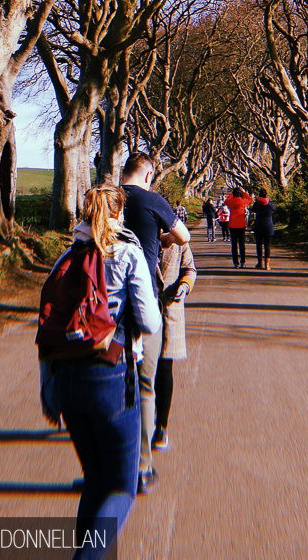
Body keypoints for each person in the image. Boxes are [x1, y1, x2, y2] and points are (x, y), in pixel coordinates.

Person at [39, 183, 160, 560]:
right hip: (111, 377)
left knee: (94, 477)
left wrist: (48, 390)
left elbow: (47, 325)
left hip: (65, 378)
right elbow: (150, 323)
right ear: (119, 214)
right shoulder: (127, 254)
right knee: (122, 488)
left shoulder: (65, 257)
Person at [121, 153, 189, 494]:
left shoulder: (102, 197)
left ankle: (104, 468)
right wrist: (165, 238)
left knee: (111, 385)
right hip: (142, 298)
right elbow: (184, 236)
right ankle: (142, 468)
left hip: (103, 301)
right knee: (145, 386)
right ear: (147, 174)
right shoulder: (152, 200)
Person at [152, 236, 196, 453]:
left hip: (170, 310)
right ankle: (142, 419)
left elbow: (190, 269)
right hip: (144, 310)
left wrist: (184, 286)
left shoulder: (180, 241)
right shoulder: (140, 235)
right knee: (142, 369)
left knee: (164, 367)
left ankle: (161, 426)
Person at [223, 186, 253, 269]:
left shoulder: (230, 201)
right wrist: (244, 192)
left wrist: (230, 194)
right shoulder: (243, 201)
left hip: (232, 224)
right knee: (242, 244)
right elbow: (250, 200)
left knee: (234, 244)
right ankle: (243, 261)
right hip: (241, 224)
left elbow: (226, 201)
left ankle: (236, 262)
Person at [251, 188, 275, 270]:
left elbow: (253, 210)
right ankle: (267, 265)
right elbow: (273, 210)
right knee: (267, 245)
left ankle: (260, 263)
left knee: (259, 245)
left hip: (259, 225)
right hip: (268, 226)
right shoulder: (270, 204)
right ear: (266, 195)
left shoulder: (256, 204)